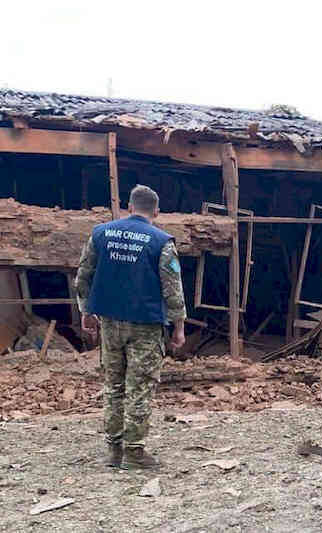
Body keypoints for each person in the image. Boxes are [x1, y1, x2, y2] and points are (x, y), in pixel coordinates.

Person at [75, 184, 186, 469]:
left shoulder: (100, 233)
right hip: (146, 326)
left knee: (113, 385)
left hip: (110, 322)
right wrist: (179, 327)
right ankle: (134, 452)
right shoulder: (162, 242)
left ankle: (113, 451)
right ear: (156, 212)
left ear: (128, 207)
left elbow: (83, 276)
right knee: (140, 386)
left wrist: (85, 311)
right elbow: (173, 289)